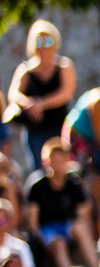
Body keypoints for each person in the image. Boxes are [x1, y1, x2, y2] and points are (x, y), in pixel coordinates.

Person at [7, 20, 77, 166]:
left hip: (58, 125)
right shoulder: (26, 69)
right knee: (40, 167)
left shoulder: (64, 66)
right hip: (35, 130)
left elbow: (66, 92)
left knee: (63, 166)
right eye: (39, 41)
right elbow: (13, 94)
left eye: (48, 40)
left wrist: (42, 104)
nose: (44, 46)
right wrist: (29, 105)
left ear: (55, 42)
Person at [25, 138, 96, 267]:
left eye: (61, 161)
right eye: (54, 161)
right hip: (47, 230)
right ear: (46, 163)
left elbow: (83, 214)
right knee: (59, 243)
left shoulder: (73, 184)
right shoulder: (37, 187)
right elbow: (33, 225)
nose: (57, 166)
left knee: (81, 227)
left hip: (67, 226)